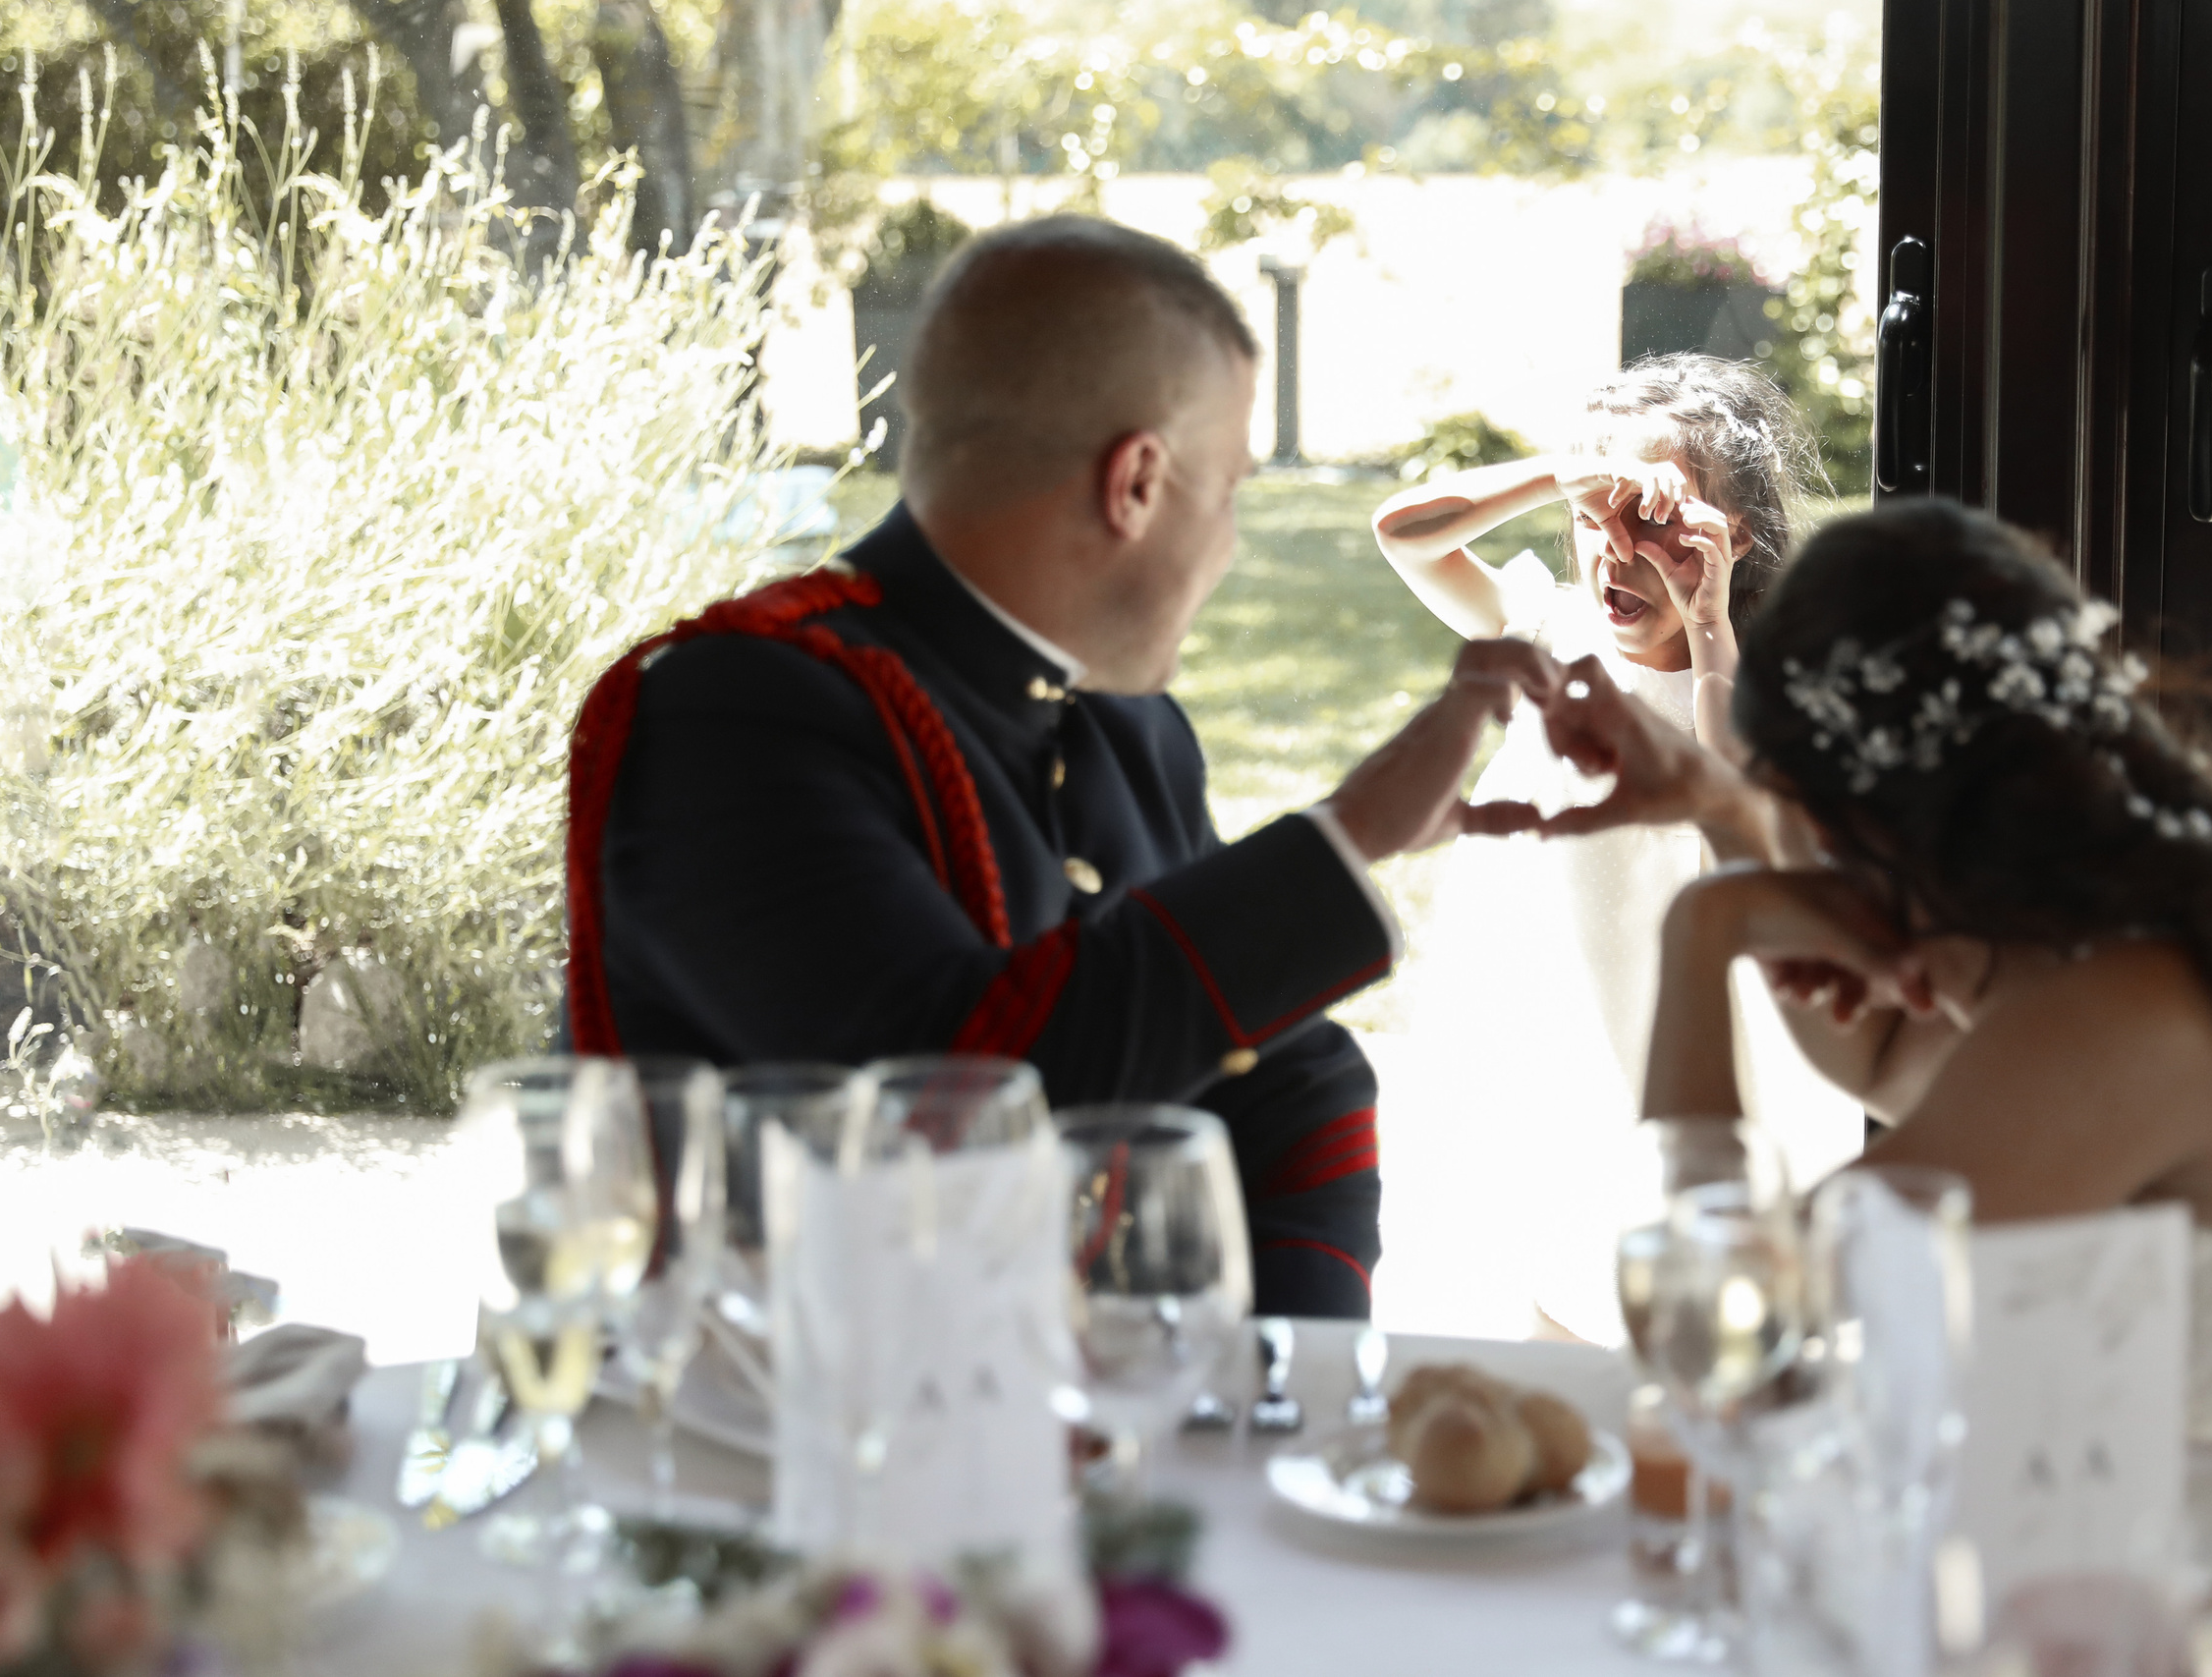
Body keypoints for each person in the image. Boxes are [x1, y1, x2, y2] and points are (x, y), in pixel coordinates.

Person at [564, 216, 1555, 1320]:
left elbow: (1288, 1077)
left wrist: (1285, 1378)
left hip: (1081, 1401)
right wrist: (1352, 829)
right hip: (771, 1410)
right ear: (1136, 482)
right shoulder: (737, 709)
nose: (1231, 543)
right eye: (1228, 490)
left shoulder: (1128, 727)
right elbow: (958, 1107)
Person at [1503, 499, 2212, 1511]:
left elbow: (1718, 1329)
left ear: (1854, 822)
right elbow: (1883, 1055)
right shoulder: (2150, 924)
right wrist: (1725, 814)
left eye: (1779, 800)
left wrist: (1703, 929)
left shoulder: (2126, 1020)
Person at [1362, 359, 1862, 1342]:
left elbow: (1730, 785)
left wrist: (1709, 621)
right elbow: (1404, 534)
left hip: (1679, 1009)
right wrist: (1564, 472)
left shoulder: (1759, 680)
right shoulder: (1550, 629)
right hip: (1542, 997)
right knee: (1537, 1222)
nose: (1617, 553)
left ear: (1732, 538)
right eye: (1597, 519)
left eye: (1654, 524)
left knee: (1676, 1242)